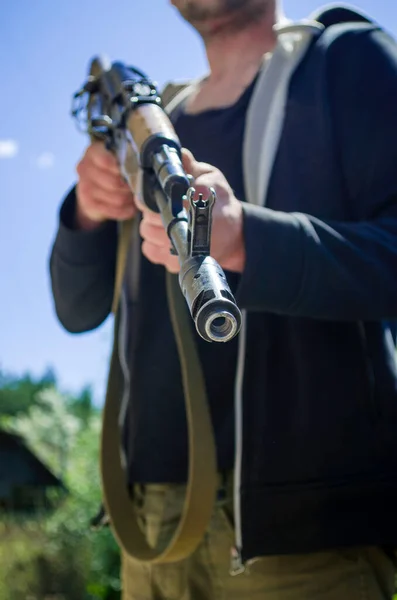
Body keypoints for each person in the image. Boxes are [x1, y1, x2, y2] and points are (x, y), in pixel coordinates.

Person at [49, 0, 397, 598]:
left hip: (306, 535)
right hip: (152, 529)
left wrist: (250, 242)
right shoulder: (151, 125)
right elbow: (76, 310)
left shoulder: (348, 58)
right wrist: (86, 210)